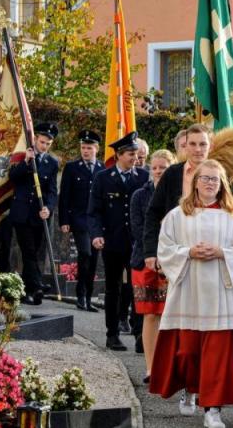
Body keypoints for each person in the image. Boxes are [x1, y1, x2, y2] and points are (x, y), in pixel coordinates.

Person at [149, 160, 233, 428]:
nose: (209, 183)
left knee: (217, 355)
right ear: (195, 182)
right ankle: (190, 389)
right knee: (187, 351)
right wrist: (188, 252)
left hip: (219, 293)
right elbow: (165, 249)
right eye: (205, 178)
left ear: (222, 185)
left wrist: (221, 252)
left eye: (215, 180)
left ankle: (213, 410)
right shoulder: (177, 215)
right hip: (188, 291)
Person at [87, 131, 149, 351]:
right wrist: (96, 235)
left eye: (136, 153)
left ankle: (141, 334)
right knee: (114, 288)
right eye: (130, 153)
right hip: (112, 242)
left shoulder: (143, 177)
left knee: (138, 288)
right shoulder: (103, 178)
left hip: (137, 243)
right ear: (119, 155)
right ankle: (112, 334)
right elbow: (94, 211)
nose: (135, 157)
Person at [129, 149, 175, 380]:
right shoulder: (139, 195)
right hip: (145, 260)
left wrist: (168, 255)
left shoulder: (179, 195)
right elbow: (138, 228)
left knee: (171, 315)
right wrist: (154, 255)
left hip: (173, 261)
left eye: (163, 167)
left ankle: (169, 366)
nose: (157, 171)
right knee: (150, 315)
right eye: (154, 167)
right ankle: (151, 367)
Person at [143, 123, 212, 268]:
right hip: (178, 252)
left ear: (210, 146)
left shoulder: (220, 174)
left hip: (209, 251)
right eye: (192, 144)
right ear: (185, 146)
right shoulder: (172, 174)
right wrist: (150, 251)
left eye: (203, 144)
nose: (198, 149)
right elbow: (153, 213)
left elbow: (229, 210)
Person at [9, 122, 60, 306]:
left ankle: (29, 291)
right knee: (28, 251)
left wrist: (49, 207)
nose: (44, 146)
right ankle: (37, 284)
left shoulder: (52, 163)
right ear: (35, 140)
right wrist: (26, 162)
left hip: (38, 215)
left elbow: (52, 191)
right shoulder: (24, 156)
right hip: (22, 213)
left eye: (47, 143)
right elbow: (13, 178)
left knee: (34, 252)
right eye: (41, 142)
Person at [58, 129, 104, 312]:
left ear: (96, 149)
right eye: (83, 148)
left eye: (89, 148)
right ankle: (80, 295)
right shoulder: (72, 167)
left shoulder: (102, 169)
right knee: (84, 253)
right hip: (79, 219)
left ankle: (88, 297)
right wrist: (64, 220)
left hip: (97, 222)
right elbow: (65, 197)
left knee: (94, 258)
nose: (85, 151)